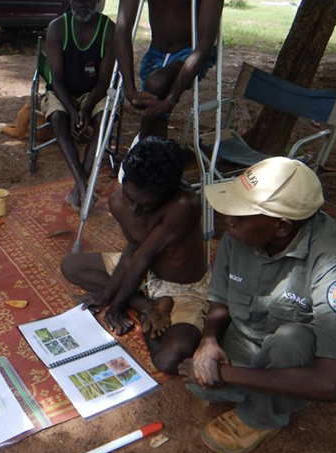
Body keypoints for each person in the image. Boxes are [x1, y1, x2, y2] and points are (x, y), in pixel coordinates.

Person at [178, 157, 336, 453]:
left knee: (290, 341)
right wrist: (209, 341)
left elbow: (333, 383)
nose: (229, 220)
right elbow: (221, 298)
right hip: (251, 338)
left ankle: (260, 417)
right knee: (200, 382)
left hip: (301, 353)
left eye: (242, 215)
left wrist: (227, 375)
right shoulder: (238, 236)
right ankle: (278, 386)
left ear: (281, 227)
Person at [61, 137, 209, 374]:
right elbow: (133, 250)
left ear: (168, 193)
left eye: (146, 206)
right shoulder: (118, 202)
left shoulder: (185, 203)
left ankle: (144, 305)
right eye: (130, 198)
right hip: (146, 273)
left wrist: (117, 304)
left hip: (184, 288)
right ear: (124, 180)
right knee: (71, 266)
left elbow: (143, 256)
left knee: (168, 359)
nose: (134, 210)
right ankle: (146, 306)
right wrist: (106, 295)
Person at [42, 0, 115, 211]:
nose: (82, 3)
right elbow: (55, 78)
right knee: (58, 118)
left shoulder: (109, 30)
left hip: (95, 92)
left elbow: (103, 82)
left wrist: (85, 108)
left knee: (105, 121)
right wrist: (73, 110)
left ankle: (79, 188)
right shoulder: (57, 28)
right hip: (63, 91)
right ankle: (84, 185)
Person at [115, 0, 223, 139]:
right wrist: (129, 89)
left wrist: (171, 99)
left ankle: (143, 146)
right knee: (155, 94)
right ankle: (153, 147)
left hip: (192, 53)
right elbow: (122, 28)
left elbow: (203, 47)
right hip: (156, 53)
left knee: (157, 84)